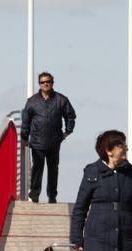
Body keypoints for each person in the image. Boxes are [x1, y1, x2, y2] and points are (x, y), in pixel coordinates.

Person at [20, 71, 76, 204]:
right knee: (37, 169)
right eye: (43, 82)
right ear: (39, 84)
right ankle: (34, 194)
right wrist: (24, 137)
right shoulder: (32, 101)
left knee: (53, 170)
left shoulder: (61, 100)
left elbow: (70, 116)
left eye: (48, 82)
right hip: (37, 142)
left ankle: (52, 196)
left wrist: (67, 131)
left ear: (52, 83)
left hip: (54, 141)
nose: (46, 84)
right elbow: (26, 120)